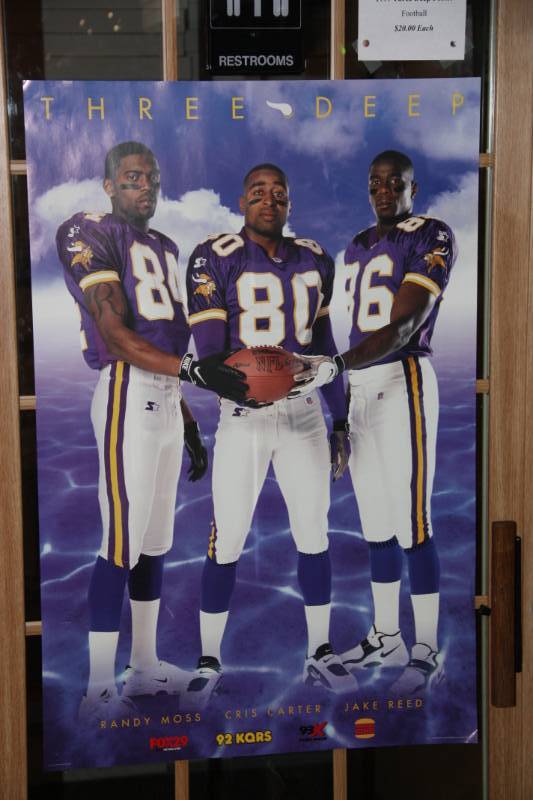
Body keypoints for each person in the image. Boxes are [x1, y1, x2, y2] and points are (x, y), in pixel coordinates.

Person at [56, 141, 247, 722]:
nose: (146, 187)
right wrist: (192, 372)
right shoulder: (88, 230)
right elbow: (114, 333)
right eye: (133, 178)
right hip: (125, 391)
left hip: (164, 398)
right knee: (120, 540)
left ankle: (142, 665)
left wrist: (186, 414)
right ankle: (97, 688)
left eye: (153, 179)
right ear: (109, 184)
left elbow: (165, 339)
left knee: (155, 542)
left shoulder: (164, 245)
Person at [184, 163, 357, 704]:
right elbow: (211, 354)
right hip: (246, 414)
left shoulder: (315, 257)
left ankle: (320, 652)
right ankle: (209, 659)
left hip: (304, 411)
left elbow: (324, 339)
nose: (269, 200)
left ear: (289, 203)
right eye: (258, 191)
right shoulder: (214, 254)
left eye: (279, 193)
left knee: (314, 533)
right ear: (242, 200)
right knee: (227, 537)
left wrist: (340, 415)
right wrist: (246, 384)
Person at [291, 150, 456, 693]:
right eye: (375, 183)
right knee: (375, 526)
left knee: (413, 520)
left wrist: (336, 365)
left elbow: (405, 325)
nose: (384, 191)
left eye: (395, 183)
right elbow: (347, 332)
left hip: (401, 379)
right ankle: (387, 635)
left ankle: (426, 646)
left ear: (414, 187)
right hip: (361, 390)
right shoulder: (357, 244)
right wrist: (340, 409)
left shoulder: (431, 233)